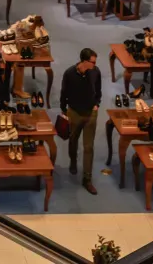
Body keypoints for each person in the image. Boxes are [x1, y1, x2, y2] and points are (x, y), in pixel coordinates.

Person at [59, 47, 101, 195]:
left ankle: (87, 179)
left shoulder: (95, 72)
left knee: (89, 147)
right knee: (73, 140)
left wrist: (97, 104)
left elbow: (98, 90)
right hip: (74, 112)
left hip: (90, 113)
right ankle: (73, 160)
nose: (95, 65)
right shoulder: (69, 73)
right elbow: (64, 92)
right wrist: (64, 110)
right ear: (84, 61)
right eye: (92, 62)